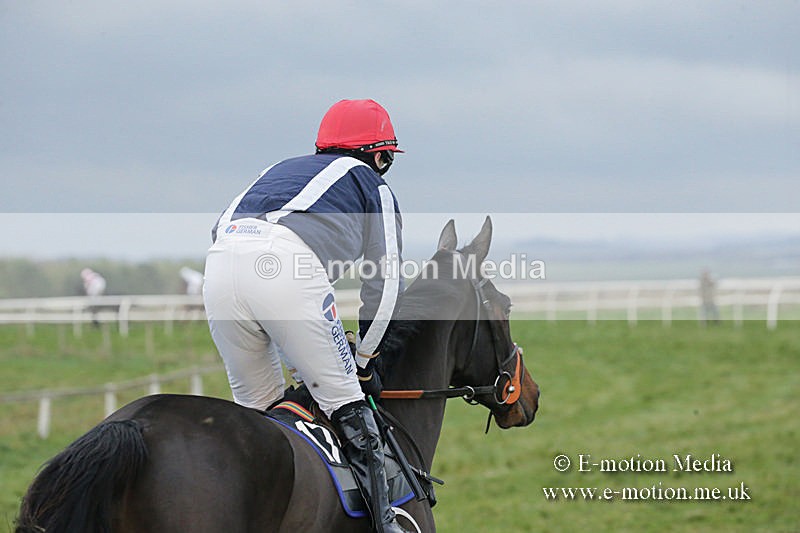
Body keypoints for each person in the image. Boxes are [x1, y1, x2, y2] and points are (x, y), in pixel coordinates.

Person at [203, 99, 406, 532]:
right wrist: (366, 362)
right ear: (381, 154)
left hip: (219, 265)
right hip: (287, 267)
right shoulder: (374, 186)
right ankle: (385, 525)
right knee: (347, 403)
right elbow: (386, 286)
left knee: (260, 419)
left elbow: (220, 228)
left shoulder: (279, 167)